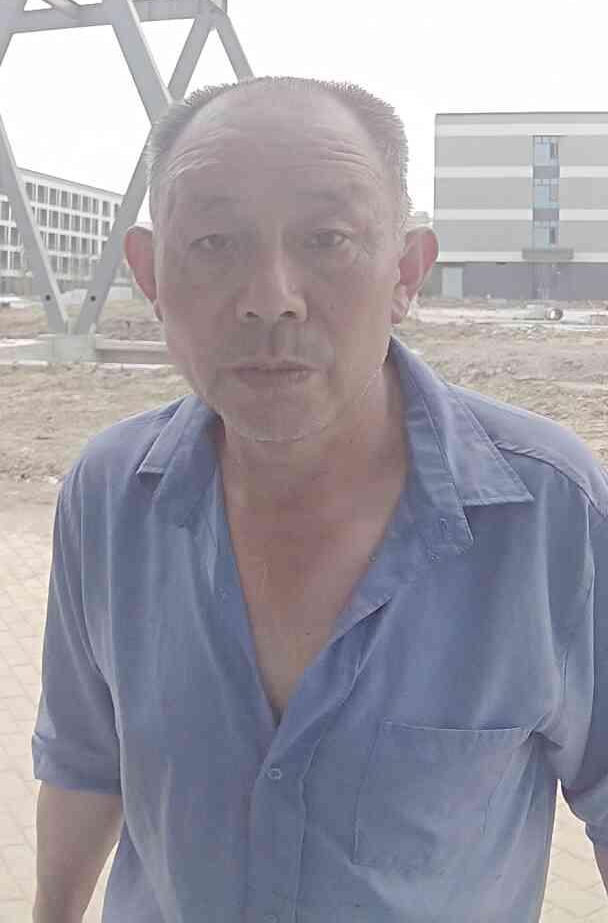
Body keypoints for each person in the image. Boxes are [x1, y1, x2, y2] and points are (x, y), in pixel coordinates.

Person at [32, 77, 608, 923]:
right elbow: (85, 759)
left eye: (327, 238)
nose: (271, 296)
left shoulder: (549, 512)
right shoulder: (108, 497)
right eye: (214, 242)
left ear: (405, 271)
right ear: (151, 275)